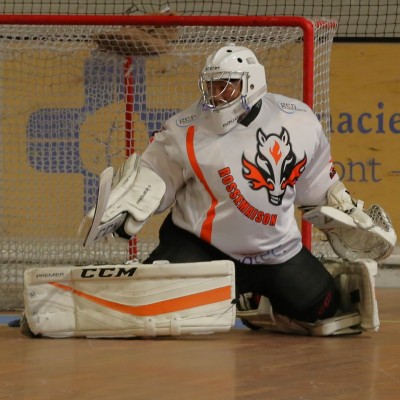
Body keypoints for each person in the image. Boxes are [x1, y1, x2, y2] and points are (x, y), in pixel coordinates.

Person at [82, 44, 395, 336]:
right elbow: (155, 175)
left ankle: (256, 300)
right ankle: (224, 291)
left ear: (252, 83)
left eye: (226, 85)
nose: (216, 95)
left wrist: (344, 212)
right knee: (158, 310)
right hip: (201, 247)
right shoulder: (184, 128)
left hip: (276, 252)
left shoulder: (299, 120)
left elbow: (318, 187)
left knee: (325, 310)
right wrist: (128, 204)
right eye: (211, 86)